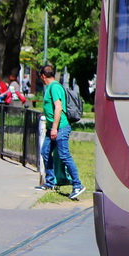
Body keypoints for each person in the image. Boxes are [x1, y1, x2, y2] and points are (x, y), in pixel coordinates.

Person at [34, 64, 85, 200]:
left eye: (41, 77)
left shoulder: (54, 87)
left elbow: (58, 108)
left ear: (43, 76)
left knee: (64, 156)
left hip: (60, 127)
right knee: (45, 151)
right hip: (54, 127)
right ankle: (50, 182)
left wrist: (55, 128)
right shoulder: (52, 87)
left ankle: (77, 184)